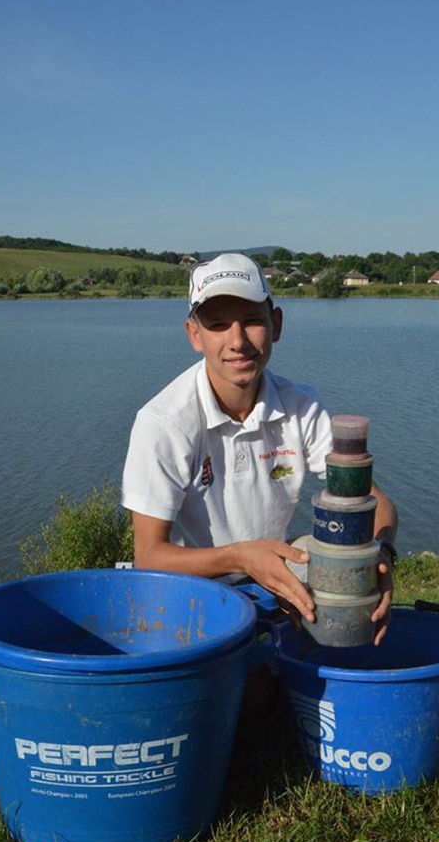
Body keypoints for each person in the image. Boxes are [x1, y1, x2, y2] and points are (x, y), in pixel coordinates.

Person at [122, 252, 397, 641]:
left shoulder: (301, 407)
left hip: (271, 583)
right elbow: (149, 556)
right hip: (193, 597)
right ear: (194, 335)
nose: (237, 341)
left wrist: (381, 555)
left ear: (276, 324)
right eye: (218, 325)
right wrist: (241, 557)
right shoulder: (163, 423)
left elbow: (373, 499)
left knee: (357, 633)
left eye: (252, 320)